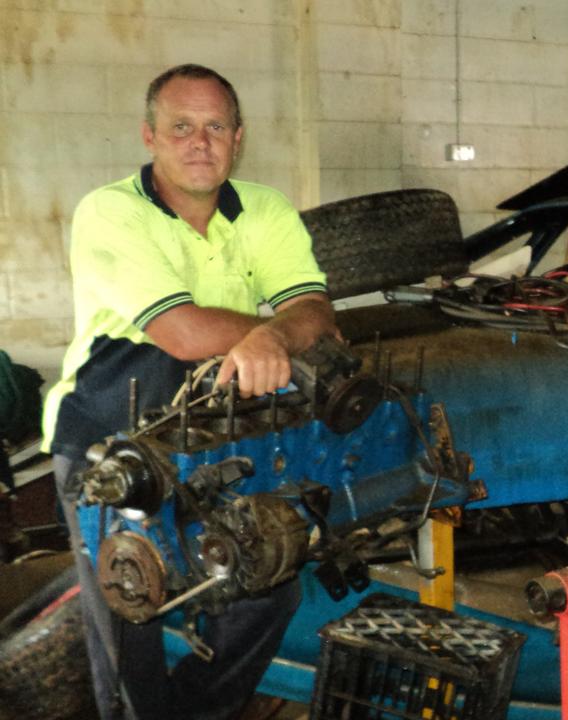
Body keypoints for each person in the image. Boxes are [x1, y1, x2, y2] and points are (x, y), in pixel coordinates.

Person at [40, 64, 336, 720]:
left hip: (212, 432)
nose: (199, 141)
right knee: (131, 614)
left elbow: (315, 308)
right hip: (107, 438)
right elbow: (179, 330)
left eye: (215, 127)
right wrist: (271, 336)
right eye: (182, 127)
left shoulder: (265, 209)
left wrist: (274, 338)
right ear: (151, 136)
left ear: (238, 137)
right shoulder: (109, 211)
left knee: (268, 585)